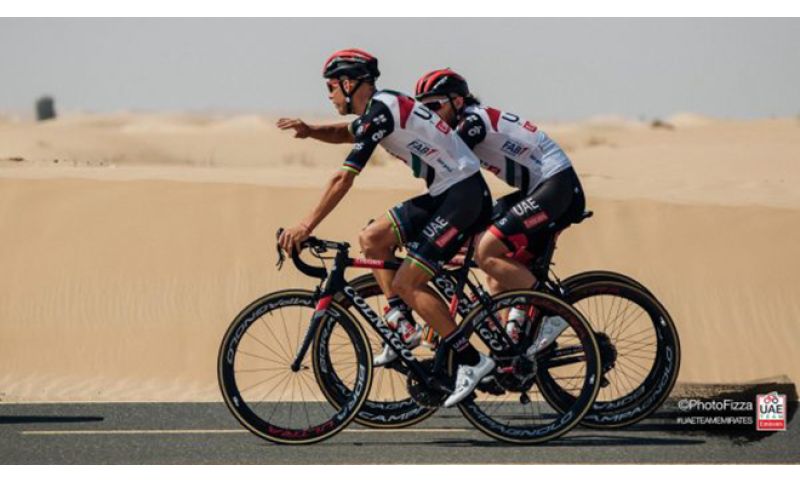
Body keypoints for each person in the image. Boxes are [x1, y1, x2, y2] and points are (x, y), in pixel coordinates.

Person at [277, 49, 495, 407]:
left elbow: (343, 179)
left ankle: (472, 360)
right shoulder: (381, 108)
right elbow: (349, 132)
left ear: (349, 83)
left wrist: (305, 225)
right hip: (447, 193)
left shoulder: (381, 111)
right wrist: (311, 131)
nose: (329, 95)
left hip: (463, 196)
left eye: (331, 87)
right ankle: (402, 325)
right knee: (372, 239)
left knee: (408, 281)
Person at [414, 68, 586, 348]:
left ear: (457, 101)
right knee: (495, 274)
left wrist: (418, 218)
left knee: (486, 251)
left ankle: (554, 313)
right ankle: (512, 347)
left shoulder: (471, 123)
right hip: (540, 189)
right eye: (423, 109)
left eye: (434, 106)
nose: (430, 115)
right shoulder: (466, 121)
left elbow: (445, 169)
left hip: (557, 186)